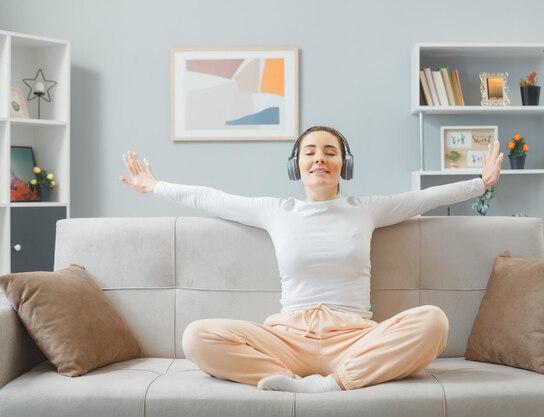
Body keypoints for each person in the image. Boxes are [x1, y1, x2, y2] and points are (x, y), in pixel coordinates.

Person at [120, 125, 504, 393]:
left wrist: (480, 183)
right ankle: (290, 378)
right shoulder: (276, 210)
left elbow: (425, 199)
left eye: (330, 151)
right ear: (296, 165)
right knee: (197, 336)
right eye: (310, 151)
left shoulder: (366, 209)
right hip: (287, 338)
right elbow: (211, 198)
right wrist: (155, 186)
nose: (319, 158)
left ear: (344, 164)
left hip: (353, 338)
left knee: (433, 322)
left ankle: (333, 384)